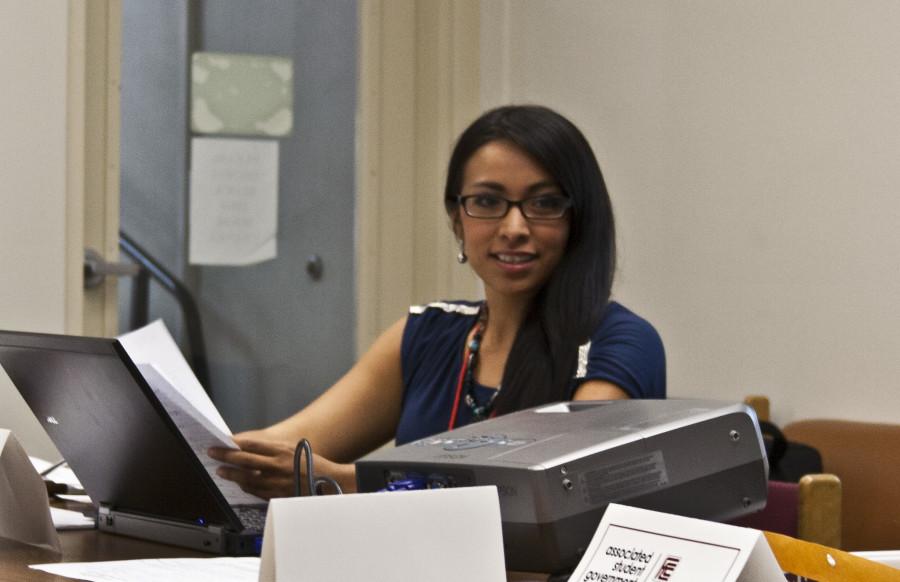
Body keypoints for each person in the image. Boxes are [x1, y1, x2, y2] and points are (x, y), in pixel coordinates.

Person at [208, 105, 665, 498]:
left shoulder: (621, 343)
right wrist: (203, 446)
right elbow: (286, 447)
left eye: (543, 204)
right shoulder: (428, 333)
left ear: (578, 220)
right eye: (487, 201)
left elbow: (551, 490)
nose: (514, 227)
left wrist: (345, 482)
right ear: (456, 220)